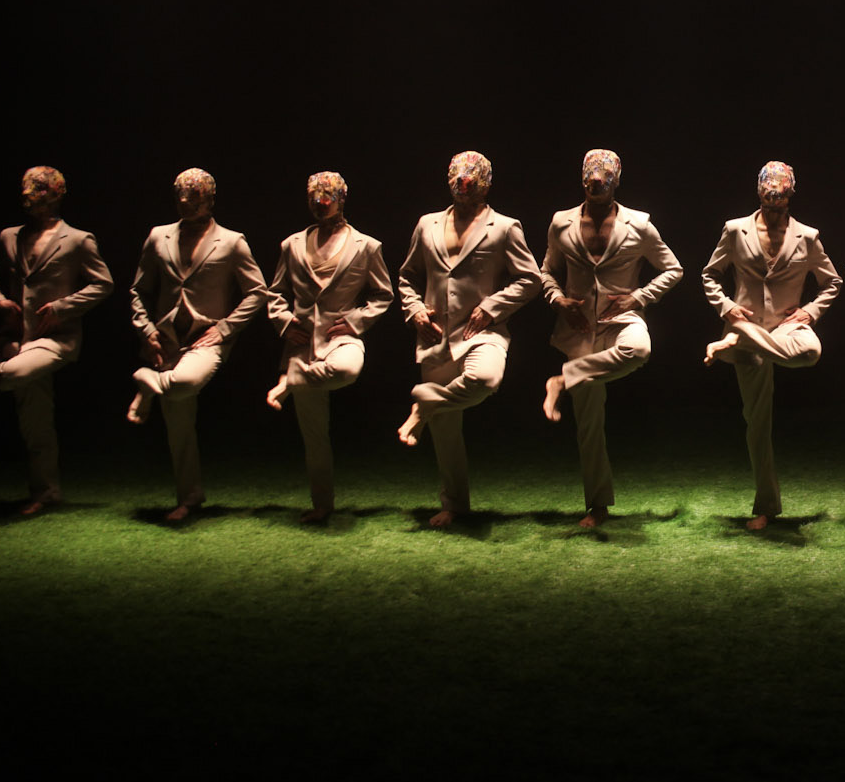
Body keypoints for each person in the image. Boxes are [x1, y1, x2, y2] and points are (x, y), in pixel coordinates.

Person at [395, 151, 543, 527]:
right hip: (435, 336)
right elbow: (408, 277)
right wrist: (414, 311)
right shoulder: (427, 224)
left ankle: (422, 408)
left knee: (485, 379)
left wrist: (493, 306)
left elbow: (530, 279)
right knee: (446, 431)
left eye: (471, 183)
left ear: (486, 184)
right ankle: (454, 505)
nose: (463, 188)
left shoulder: (505, 227)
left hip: (482, 333)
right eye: (458, 181)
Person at [539, 149, 683, 528]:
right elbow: (547, 271)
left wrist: (639, 297)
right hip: (580, 329)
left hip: (623, 319)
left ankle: (562, 380)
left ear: (616, 181)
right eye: (591, 180)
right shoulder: (561, 223)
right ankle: (597, 505)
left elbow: (673, 269)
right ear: (582, 180)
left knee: (639, 349)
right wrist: (557, 299)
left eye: (604, 181)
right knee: (589, 425)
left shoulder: (639, 224)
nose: (597, 186)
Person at [700, 161, 844, 530]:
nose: (773, 204)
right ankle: (766, 507)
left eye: (779, 198)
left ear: (791, 194)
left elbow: (832, 282)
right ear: (759, 193)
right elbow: (710, 275)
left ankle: (734, 343)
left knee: (812, 352)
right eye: (768, 197)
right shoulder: (736, 230)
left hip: (784, 331)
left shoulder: (807, 236)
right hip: (746, 325)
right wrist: (729, 308)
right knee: (757, 423)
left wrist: (810, 313)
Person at [0, 166, 114, 514]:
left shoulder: (78, 239)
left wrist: (64, 307)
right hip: (16, 338)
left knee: (12, 375)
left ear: (57, 194)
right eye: (27, 189)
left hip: (55, 339)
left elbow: (103, 284)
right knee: (35, 419)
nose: (30, 196)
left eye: (39, 190)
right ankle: (45, 492)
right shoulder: (9, 236)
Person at [127, 168, 268, 521]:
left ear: (210, 198)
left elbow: (257, 292)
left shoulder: (232, 241)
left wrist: (225, 329)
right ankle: (188, 497)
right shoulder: (158, 236)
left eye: (194, 196)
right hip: (166, 339)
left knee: (185, 383)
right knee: (178, 421)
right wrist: (147, 331)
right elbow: (138, 291)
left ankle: (147, 382)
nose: (186, 203)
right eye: (181, 196)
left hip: (206, 340)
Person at [262, 171, 393, 524]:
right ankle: (322, 504)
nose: (321, 203)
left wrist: (356, 320)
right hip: (302, 345)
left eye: (328, 195)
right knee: (314, 435)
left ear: (341, 198)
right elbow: (275, 293)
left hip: (341, 337)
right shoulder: (291, 244)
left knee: (347, 370)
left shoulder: (367, 246)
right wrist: (285, 321)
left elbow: (383, 294)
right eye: (315, 196)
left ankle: (291, 381)